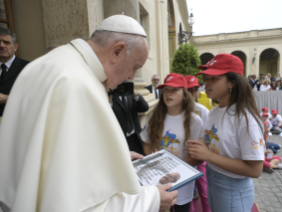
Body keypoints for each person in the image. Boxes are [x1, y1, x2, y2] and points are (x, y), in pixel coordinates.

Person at [0, 15, 178, 212]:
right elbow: (73, 202)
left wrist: (111, 157)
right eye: (135, 67)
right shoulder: (77, 84)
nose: (131, 77)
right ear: (117, 51)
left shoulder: (50, 64)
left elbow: (53, 153)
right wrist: (152, 199)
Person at [187, 54, 264, 212]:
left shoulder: (246, 119)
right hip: (212, 178)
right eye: (205, 78)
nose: (205, 82)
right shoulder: (214, 112)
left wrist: (208, 156)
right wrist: (201, 145)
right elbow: (214, 143)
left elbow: (255, 170)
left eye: (213, 78)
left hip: (233, 189)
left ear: (232, 82)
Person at [141, 73, 204, 212]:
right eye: (166, 90)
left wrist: (175, 167)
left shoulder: (194, 121)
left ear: (184, 93)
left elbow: (198, 157)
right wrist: (153, 159)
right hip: (159, 179)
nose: (168, 94)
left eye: (174, 90)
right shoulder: (154, 117)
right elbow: (146, 142)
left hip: (183, 182)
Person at [185, 75, 210, 212]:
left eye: (195, 90)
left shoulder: (203, 110)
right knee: (185, 193)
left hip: (199, 157)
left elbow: (207, 135)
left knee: (204, 191)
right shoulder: (175, 111)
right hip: (183, 157)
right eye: (190, 90)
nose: (193, 93)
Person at [110, 82, 149, 155]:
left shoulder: (130, 93)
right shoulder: (110, 95)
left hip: (135, 137)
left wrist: (136, 95)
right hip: (121, 140)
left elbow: (144, 108)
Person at [0, 27, 29, 117]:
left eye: (6, 42)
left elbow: (36, 99)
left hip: (17, 122)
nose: (1, 45)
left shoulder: (28, 68)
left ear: (15, 47)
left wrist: (6, 99)